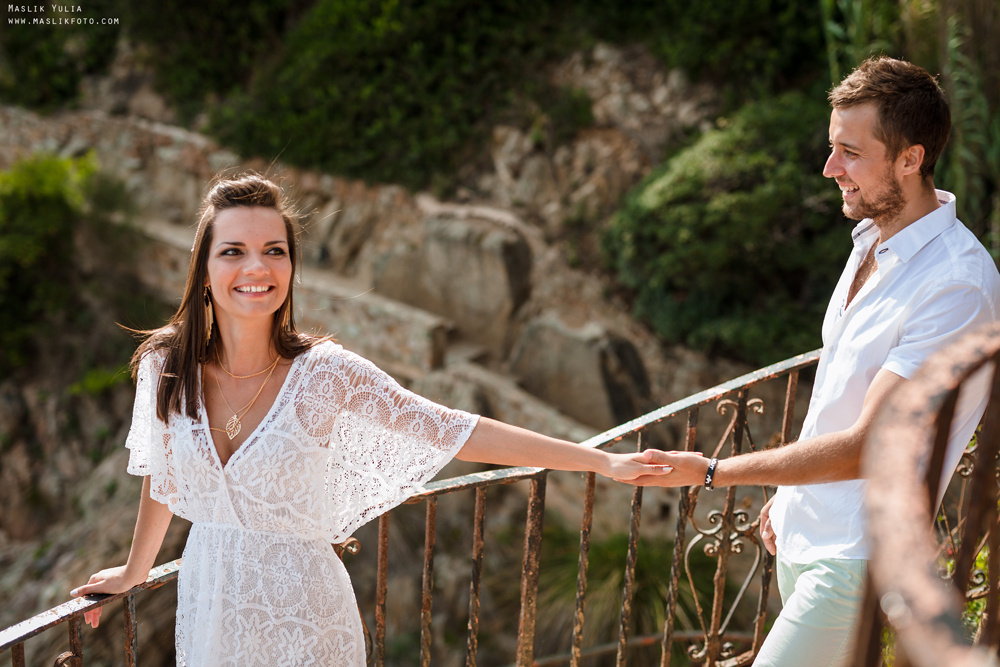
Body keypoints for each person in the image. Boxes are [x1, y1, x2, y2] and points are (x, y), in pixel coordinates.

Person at [70, 173, 670, 665]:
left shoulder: (326, 375)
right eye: (233, 251)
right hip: (208, 607)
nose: (256, 268)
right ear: (204, 269)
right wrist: (134, 570)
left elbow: (455, 428)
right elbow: (161, 474)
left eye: (273, 251)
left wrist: (603, 461)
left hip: (307, 623)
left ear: (291, 267)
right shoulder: (165, 364)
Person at [632, 56, 1000, 667]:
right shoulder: (870, 239)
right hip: (808, 530)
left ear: (911, 158)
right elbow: (839, 388)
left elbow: (870, 445)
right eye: (833, 149)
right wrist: (787, 493)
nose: (831, 169)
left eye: (850, 153)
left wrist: (712, 471)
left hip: (860, 556)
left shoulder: (957, 285)